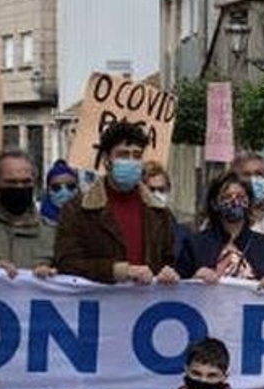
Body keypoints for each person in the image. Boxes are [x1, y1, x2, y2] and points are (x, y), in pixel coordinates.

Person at [54, 120, 180, 285]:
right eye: (123, 154)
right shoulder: (77, 210)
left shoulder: (159, 213)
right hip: (100, 306)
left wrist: (168, 273)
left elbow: (169, 260)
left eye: (137, 155)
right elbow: (67, 263)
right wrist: (117, 271)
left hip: (146, 306)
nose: (131, 161)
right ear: (107, 159)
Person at [178, 171, 264, 287]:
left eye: (241, 197)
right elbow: (178, 289)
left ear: (249, 202)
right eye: (227, 197)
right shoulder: (195, 244)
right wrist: (194, 280)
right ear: (214, 203)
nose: (234, 201)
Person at [0, 148, 57, 276]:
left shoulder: (52, 233)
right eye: (11, 182)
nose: (19, 187)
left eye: (26, 182)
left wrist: (53, 275)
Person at [143, 161, 192, 261]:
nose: (156, 195)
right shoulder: (134, 228)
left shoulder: (181, 233)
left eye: (161, 190)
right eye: (151, 190)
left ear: (168, 190)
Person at [39, 159, 80, 227]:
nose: (64, 192)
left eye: (70, 186)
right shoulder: (38, 223)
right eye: (56, 187)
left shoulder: (88, 223)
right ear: (48, 190)